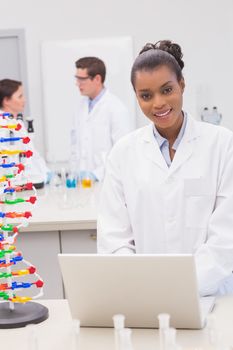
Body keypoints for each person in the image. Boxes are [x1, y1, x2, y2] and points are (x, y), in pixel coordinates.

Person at [97, 40, 233, 297]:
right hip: (146, 296)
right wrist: (147, 286)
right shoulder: (123, 153)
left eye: (167, 89)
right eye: (146, 95)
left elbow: (227, 238)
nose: (158, 103)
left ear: (182, 84)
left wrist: (180, 287)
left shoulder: (223, 144)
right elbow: (114, 240)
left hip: (212, 294)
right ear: (137, 96)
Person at [71, 56, 134, 182]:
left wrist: (97, 175)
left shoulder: (116, 108)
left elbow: (122, 152)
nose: (77, 84)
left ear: (97, 79)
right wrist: (74, 172)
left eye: (82, 79)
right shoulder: (81, 107)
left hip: (106, 181)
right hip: (81, 183)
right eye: (76, 79)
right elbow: (74, 145)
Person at [0, 78, 50, 186]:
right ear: (6, 101)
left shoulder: (18, 124)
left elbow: (32, 154)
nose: (24, 100)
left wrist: (47, 173)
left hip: (31, 181)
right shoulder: (2, 126)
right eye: (20, 96)